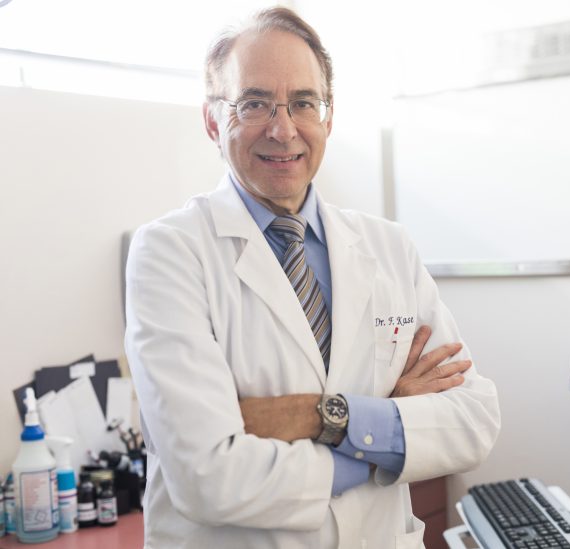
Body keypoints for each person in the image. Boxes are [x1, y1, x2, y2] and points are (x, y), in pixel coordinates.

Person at [125, 7, 501, 549]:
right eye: (254, 103)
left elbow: (472, 421)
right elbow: (208, 477)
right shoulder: (169, 252)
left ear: (328, 117)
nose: (283, 130)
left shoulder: (389, 247)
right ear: (212, 120)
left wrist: (320, 416)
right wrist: (389, 425)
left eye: (303, 102)